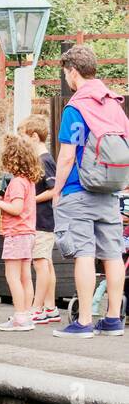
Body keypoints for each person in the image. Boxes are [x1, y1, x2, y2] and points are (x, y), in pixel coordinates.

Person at [52, 44, 127, 337]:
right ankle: (112, 320)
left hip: (79, 189)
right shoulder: (113, 104)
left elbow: (68, 154)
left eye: (65, 73)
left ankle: (83, 321)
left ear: (72, 72)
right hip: (110, 191)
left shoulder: (77, 107)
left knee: (84, 253)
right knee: (112, 254)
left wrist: (58, 189)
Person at [0, 134, 41, 331]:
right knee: (25, 276)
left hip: (16, 234)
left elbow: (16, 208)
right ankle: (26, 314)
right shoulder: (29, 181)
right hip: (28, 234)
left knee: (12, 276)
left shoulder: (17, 182)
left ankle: (19, 317)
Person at [19, 114, 59, 324]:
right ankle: (50, 307)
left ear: (34, 137)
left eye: (23, 137)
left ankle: (37, 307)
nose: (21, 142)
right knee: (46, 263)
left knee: (41, 264)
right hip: (43, 220)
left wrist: (29, 200)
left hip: (42, 220)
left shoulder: (45, 161)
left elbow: (54, 190)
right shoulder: (44, 160)